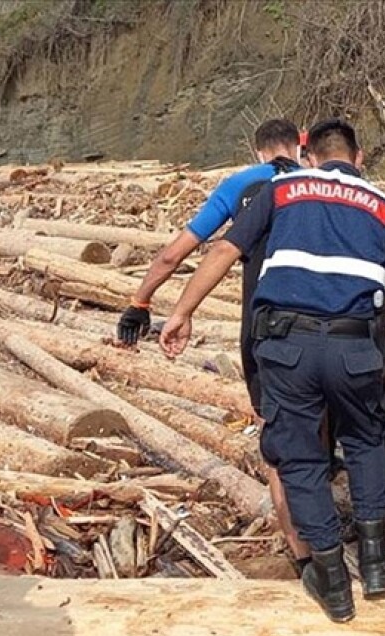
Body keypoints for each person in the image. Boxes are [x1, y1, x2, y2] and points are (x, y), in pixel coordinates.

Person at [158, 119, 385, 623]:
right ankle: (374, 564)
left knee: (301, 459)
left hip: (288, 348)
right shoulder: (384, 206)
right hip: (355, 346)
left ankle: (330, 580)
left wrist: (182, 311)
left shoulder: (281, 189)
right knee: (367, 442)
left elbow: (225, 250)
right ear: (360, 157)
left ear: (310, 157)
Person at [115, 118, 313, 572]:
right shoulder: (320, 183)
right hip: (332, 327)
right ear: (300, 147)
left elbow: (176, 251)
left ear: (257, 149)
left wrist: (141, 301)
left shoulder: (242, 185)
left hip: (266, 329)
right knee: (319, 429)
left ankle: (301, 552)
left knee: (277, 437)